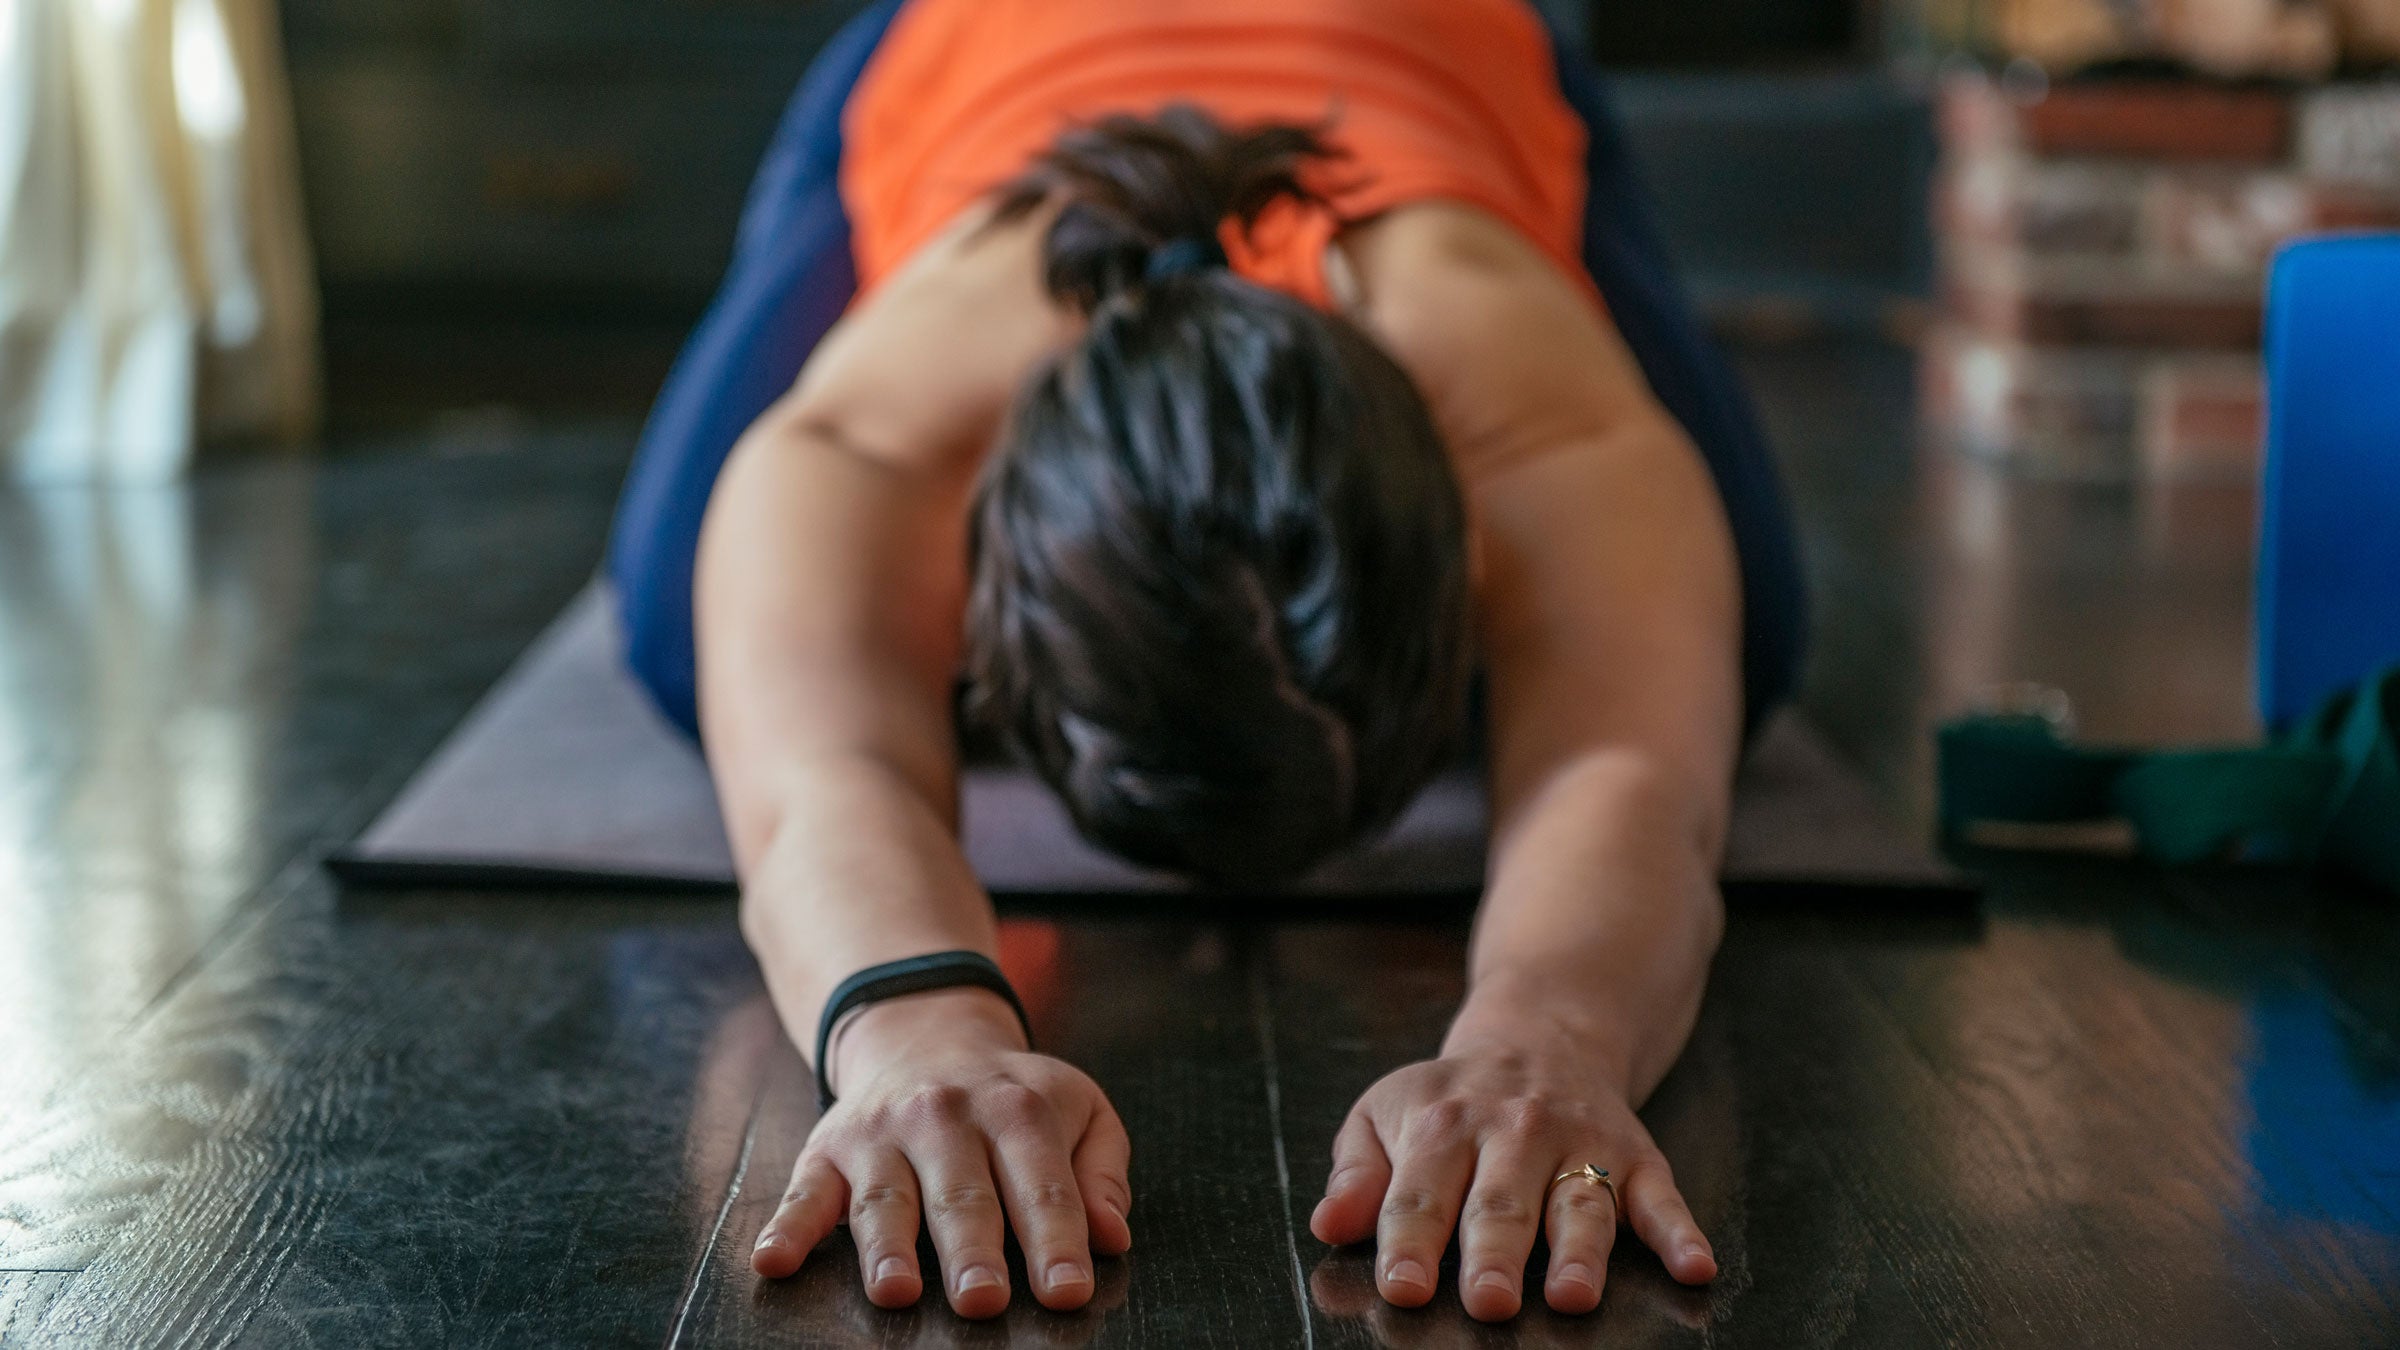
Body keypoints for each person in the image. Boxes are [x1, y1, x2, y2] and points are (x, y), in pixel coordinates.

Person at [605, 0, 1807, 1324]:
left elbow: (1633, 771)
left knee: (1734, 634)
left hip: (1444, 45)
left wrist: (1548, 1046)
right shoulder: (867, 442)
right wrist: (916, 1040)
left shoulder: (1523, 390)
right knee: (683, 625)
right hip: (975, 42)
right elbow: (825, 782)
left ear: (1470, 533)